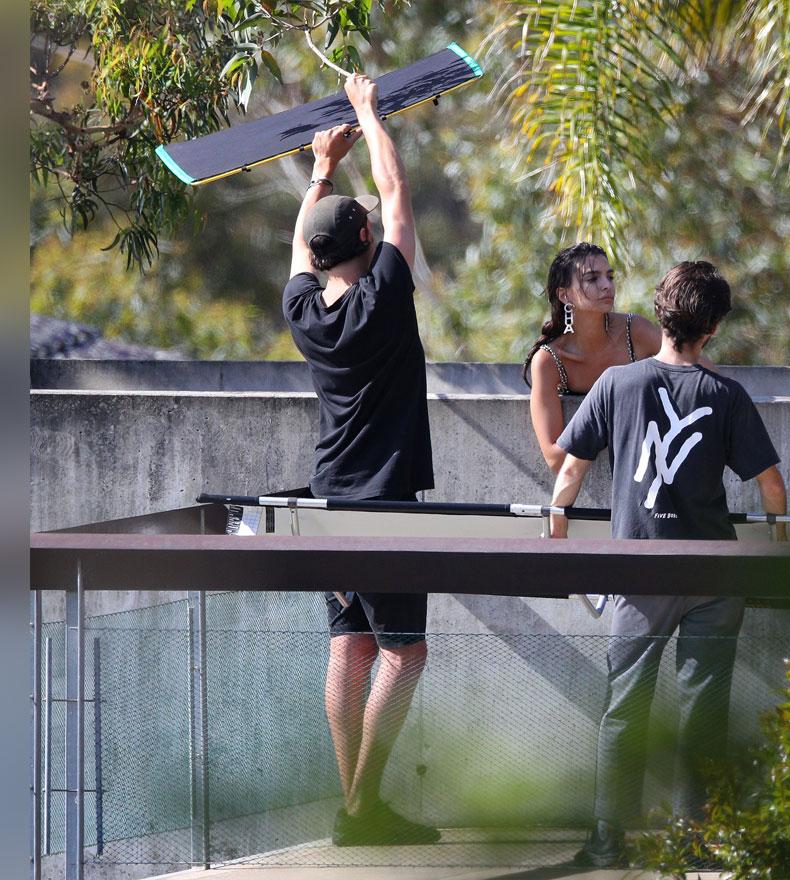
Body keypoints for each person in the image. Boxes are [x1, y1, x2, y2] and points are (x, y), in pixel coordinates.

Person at [545, 260, 789, 868]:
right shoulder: (726, 396)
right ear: (712, 329)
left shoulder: (616, 386)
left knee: (623, 707)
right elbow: (770, 484)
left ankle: (608, 839)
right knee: (704, 712)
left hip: (638, 572)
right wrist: (779, 536)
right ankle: (695, 840)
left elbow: (569, 470)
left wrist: (557, 529)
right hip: (712, 574)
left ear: (662, 315)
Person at [282, 73, 439, 847]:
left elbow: (300, 251)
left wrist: (319, 165)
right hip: (383, 505)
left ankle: (355, 808)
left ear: (319, 253)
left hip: (325, 502)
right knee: (403, 653)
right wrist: (370, 114)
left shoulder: (305, 313)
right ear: (368, 245)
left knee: (350, 646)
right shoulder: (385, 295)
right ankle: (360, 807)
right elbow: (398, 190)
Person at [523, 242, 662, 473]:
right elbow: (555, 459)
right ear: (564, 295)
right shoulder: (549, 361)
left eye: (610, 277)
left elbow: (695, 368)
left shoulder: (635, 330)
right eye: (592, 279)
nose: (607, 286)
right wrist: (606, 413)